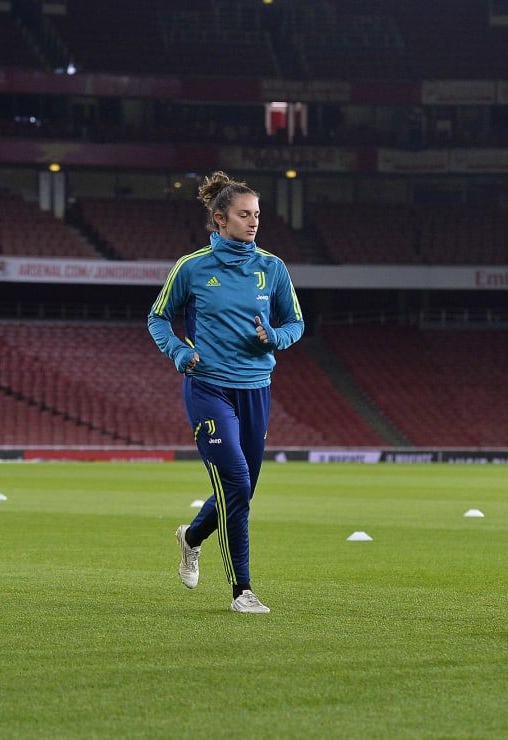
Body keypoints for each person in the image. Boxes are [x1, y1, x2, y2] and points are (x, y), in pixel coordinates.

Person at [147, 171, 304, 614]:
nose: (253, 222)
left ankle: (191, 536)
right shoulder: (192, 267)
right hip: (209, 387)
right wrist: (179, 351)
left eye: (257, 215)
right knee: (235, 480)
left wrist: (274, 337)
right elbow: (158, 318)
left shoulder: (272, 268)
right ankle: (243, 591)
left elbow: (296, 323)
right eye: (244, 214)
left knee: (243, 489)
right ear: (220, 219)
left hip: (257, 390)